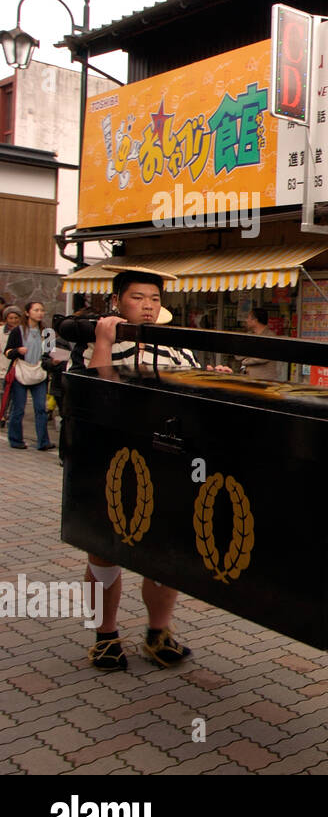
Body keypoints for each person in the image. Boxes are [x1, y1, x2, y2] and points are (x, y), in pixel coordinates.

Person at [81, 269, 216, 671]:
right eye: (138, 297)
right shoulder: (94, 340)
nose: (147, 305)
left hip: (164, 461)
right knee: (103, 553)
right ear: (118, 301)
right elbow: (95, 393)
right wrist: (104, 341)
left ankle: (159, 632)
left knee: (165, 553)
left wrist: (212, 381)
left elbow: (193, 393)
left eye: (154, 299)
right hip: (108, 462)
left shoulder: (177, 347)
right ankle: (105, 636)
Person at [5, 301, 55, 451]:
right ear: (27, 313)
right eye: (36, 310)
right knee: (18, 408)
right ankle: (15, 439)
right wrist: (18, 350)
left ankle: (43, 441)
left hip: (39, 372)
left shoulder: (48, 333)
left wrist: (54, 361)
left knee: (41, 408)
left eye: (42, 310)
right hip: (21, 371)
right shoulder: (18, 331)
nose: (40, 313)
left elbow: (49, 354)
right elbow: (7, 352)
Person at [235, 307, 284, 381]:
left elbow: (262, 357)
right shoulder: (248, 335)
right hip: (247, 378)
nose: (246, 320)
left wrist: (246, 360)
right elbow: (238, 354)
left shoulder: (270, 336)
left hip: (264, 379)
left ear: (255, 320)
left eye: (248, 318)